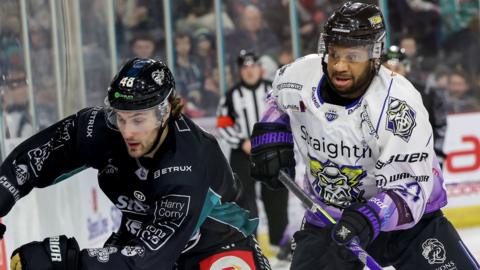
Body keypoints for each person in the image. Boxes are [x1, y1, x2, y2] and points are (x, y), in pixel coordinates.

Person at [249, 2, 480, 269]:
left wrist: (368, 217)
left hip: (410, 226)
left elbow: (411, 188)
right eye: (334, 54)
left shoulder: (398, 103)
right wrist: (271, 135)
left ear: (375, 55)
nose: (340, 66)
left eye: (353, 57)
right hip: (329, 218)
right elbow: (277, 100)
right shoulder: (299, 76)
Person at [0, 58, 271, 270]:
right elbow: (37, 157)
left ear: (165, 112)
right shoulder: (105, 128)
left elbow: (148, 261)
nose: (127, 131)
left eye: (139, 119)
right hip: (141, 237)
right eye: (121, 117)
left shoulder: (188, 162)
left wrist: (67, 261)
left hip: (217, 248)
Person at [216, 50, 289, 253]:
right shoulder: (231, 96)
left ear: (260, 68)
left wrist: (276, 139)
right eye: (244, 68)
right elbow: (223, 124)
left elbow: (287, 117)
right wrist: (241, 142)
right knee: (243, 200)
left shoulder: (273, 91)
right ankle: (249, 244)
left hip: (272, 150)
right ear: (240, 71)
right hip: (243, 154)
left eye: (252, 66)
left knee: (276, 197)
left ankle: (279, 243)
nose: (249, 71)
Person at [382, 45, 448, 163]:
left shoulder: (424, 95)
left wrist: (437, 154)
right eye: (387, 69)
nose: (391, 73)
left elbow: (439, 125)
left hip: (418, 160)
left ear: (406, 69)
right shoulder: (369, 94)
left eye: (397, 69)